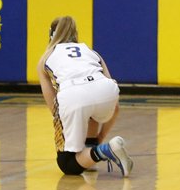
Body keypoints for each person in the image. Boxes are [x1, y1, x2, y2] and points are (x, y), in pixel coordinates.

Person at [37, 16, 133, 177]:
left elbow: (54, 107)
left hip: (73, 94)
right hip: (106, 90)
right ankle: (92, 154)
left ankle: (104, 151)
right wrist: (100, 136)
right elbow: (112, 93)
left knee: (67, 164)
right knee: (92, 113)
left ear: (51, 36)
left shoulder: (45, 58)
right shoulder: (90, 51)